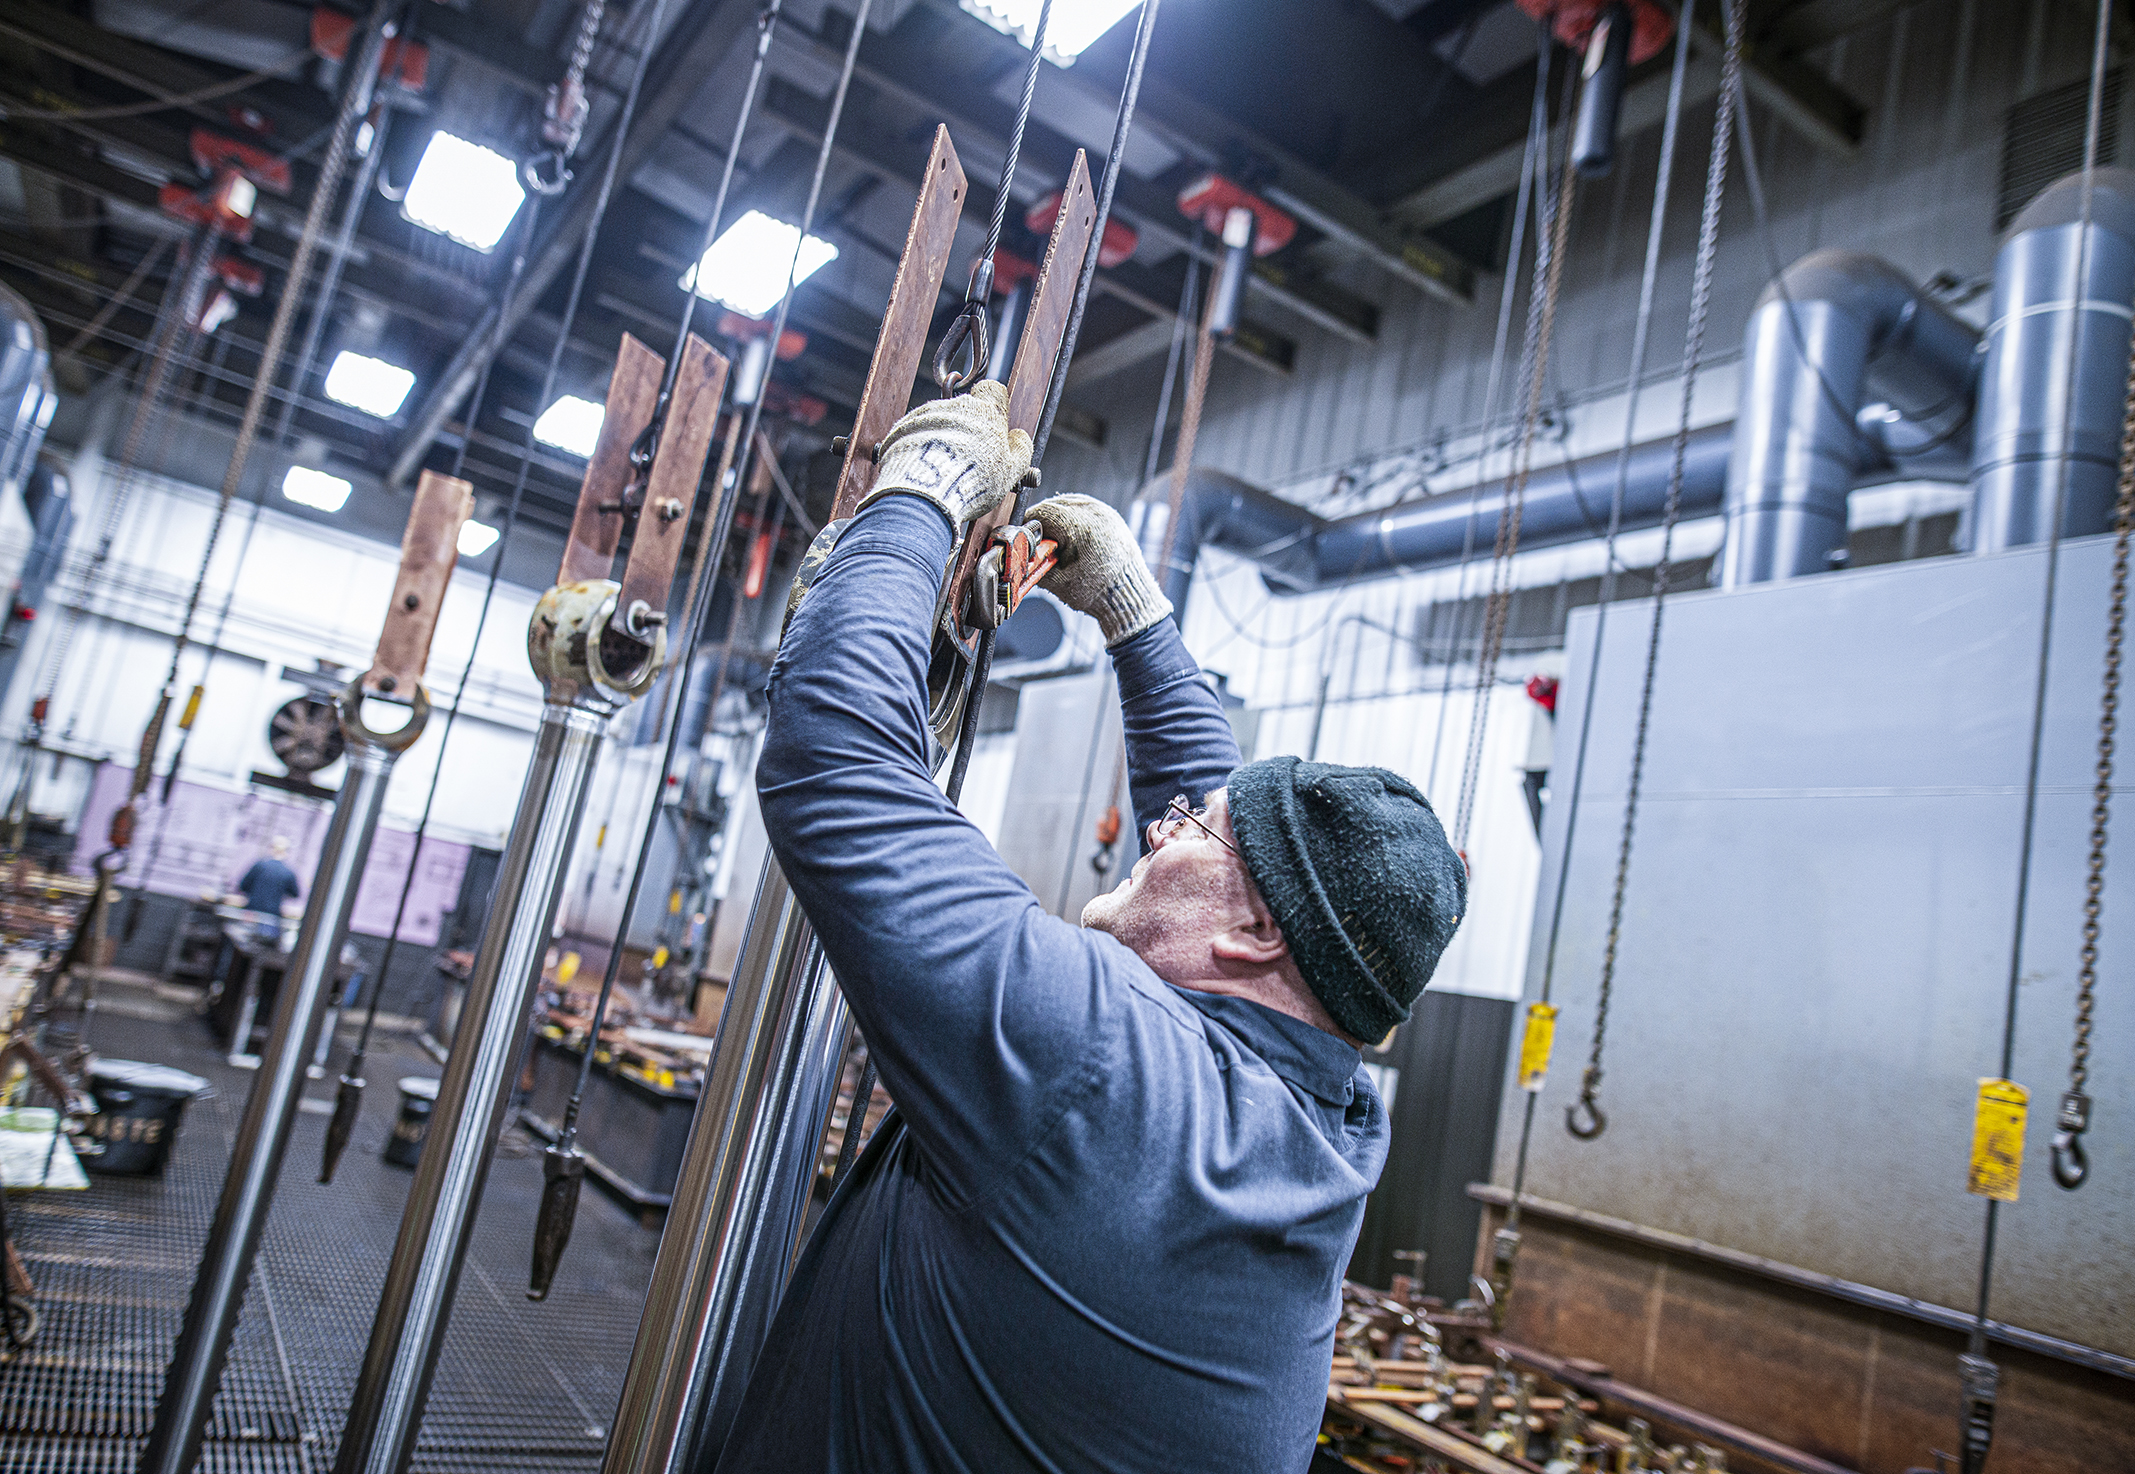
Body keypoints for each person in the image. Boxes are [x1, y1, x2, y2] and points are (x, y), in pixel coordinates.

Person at [716, 381, 1467, 1473]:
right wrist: (1131, 611)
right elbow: (1231, 849)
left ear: (1254, 937)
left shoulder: (1100, 1073)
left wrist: (921, 490)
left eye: (1185, 832)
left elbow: (833, 751)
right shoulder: (1319, 1115)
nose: (1157, 830)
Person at [228, 836, 301, 947]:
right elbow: (295, 894)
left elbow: (243, 886)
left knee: (239, 945)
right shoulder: (288, 872)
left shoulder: (259, 866)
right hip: (271, 920)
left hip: (250, 915)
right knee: (264, 948)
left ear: (271, 848)